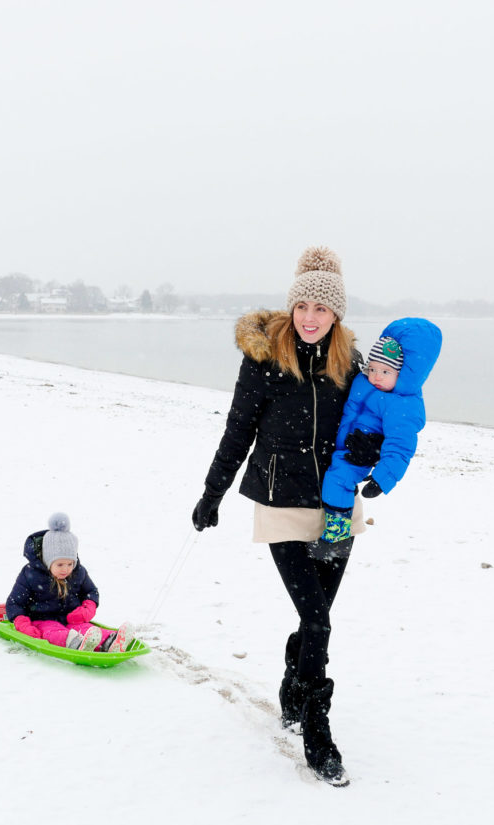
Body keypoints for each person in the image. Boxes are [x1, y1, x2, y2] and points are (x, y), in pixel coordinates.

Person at [190, 246, 383, 787]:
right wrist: (213, 494)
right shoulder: (265, 360)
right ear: (292, 306)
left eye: (322, 309)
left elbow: (372, 422)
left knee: (313, 617)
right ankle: (317, 732)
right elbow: (237, 431)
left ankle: (293, 689)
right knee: (319, 618)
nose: (310, 317)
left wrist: (372, 446)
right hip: (280, 505)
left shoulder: (352, 364)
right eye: (303, 306)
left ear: (337, 315)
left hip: (337, 508)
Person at [310, 318, 443, 556]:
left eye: (385, 372)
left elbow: (400, 446)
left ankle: (336, 537)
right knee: (331, 480)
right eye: (372, 369)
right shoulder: (364, 381)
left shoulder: (402, 404)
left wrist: (382, 479)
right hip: (341, 445)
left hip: (358, 455)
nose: (376, 376)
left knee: (337, 480)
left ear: (404, 374)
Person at [5, 513, 135, 653]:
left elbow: (90, 592)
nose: (66, 569)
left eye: (70, 563)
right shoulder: (31, 575)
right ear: (48, 561)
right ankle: (75, 643)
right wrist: (23, 624)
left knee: (86, 629)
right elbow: (14, 603)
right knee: (53, 632)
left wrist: (86, 609)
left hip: (72, 619)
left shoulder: (78, 572)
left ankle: (111, 641)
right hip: (42, 620)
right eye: (60, 564)